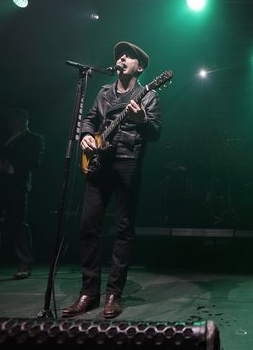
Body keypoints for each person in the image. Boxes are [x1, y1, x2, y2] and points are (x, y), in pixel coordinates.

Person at [62, 41, 161, 319]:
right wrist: (85, 136)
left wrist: (142, 120)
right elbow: (90, 120)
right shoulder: (104, 92)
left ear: (139, 67)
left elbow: (155, 132)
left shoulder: (147, 94)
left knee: (123, 228)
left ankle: (114, 294)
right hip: (98, 163)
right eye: (119, 55)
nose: (122, 58)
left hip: (128, 162)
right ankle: (89, 293)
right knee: (88, 225)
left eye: (128, 56)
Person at [0, 108, 44, 280]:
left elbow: (33, 163)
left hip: (16, 186)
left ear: (23, 120)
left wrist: (10, 168)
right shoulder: (3, 138)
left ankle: (24, 264)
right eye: (10, 120)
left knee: (18, 224)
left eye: (14, 119)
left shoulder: (34, 139)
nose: (10, 123)